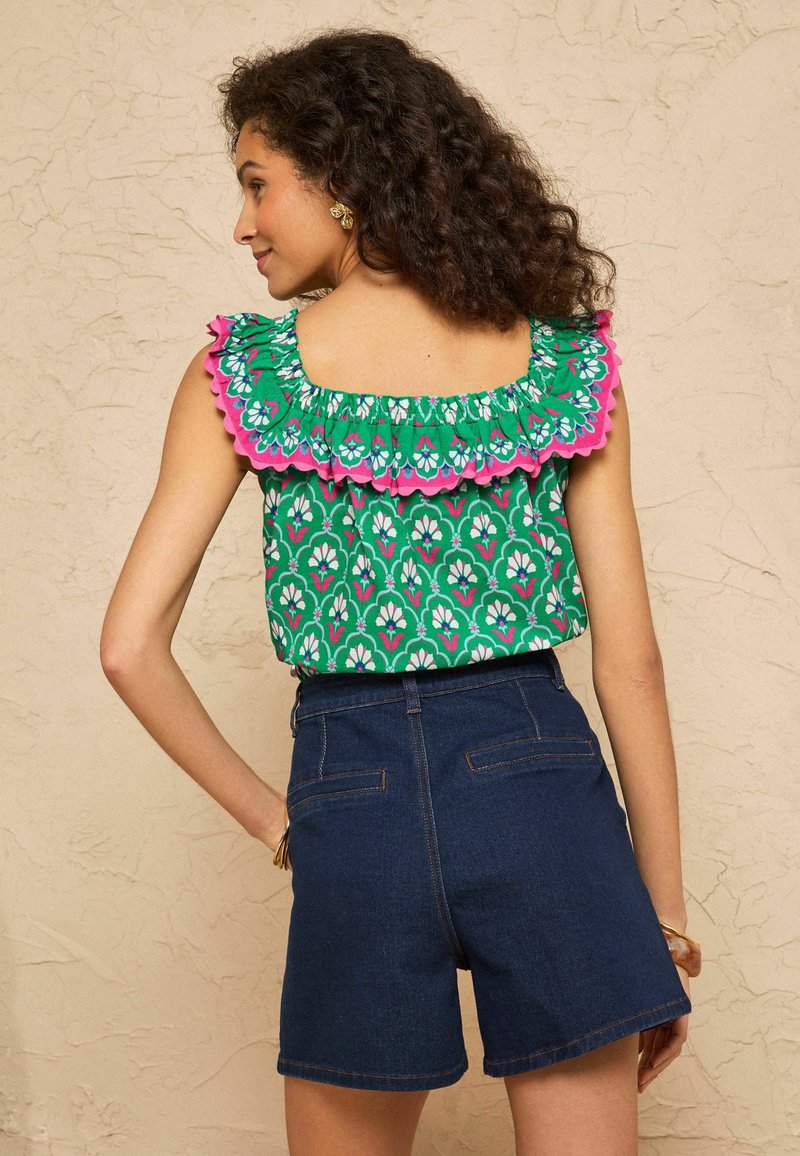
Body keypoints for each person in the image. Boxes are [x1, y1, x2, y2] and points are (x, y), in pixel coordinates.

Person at [100, 27, 701, 1156]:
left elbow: (129, 647)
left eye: (257, 184)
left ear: (344, 176)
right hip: (539, 782)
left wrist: (286, 824)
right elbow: (631, 665)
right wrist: (660, 922)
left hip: (353, 793)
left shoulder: (244, 377)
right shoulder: (565, 370)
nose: (242, 222)